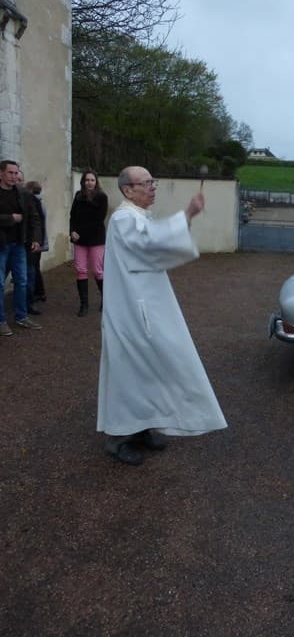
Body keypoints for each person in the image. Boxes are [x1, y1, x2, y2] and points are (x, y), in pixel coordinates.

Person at [97, 166, 227, 465]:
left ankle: (142, 426)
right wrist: (188, 215)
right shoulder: (123, 218)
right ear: (128, 190)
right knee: (130, 371)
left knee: (149, 367)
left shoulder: (138, 216)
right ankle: (118, 439)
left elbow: (155, 244)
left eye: (153, 181)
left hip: (144, 306)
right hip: (130, 311)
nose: (153, 187)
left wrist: (185, 220)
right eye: (146, 183)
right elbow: (151, 242)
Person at [0, 159, 42, 335]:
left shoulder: (22, 193)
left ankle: (21, 316)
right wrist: (11, 218)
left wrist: (35, 239)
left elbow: (34, 217)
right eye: (10, 172)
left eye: (16, 173)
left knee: (22, 281)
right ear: (1, 173)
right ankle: (1, 321)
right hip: (1, 245)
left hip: (19, 244)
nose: (14, 176)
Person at [69, 170, 108, 316]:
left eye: (92, 180)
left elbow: (98, 219)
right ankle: (84, 304)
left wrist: (80, 233)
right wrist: (72, 231)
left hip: (96, 239)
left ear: (96, 182)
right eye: (86, 180)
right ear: (83, 182)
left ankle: (106, 299)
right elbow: (72, 216)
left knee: (97, 270)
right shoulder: (78, 196)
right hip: (79, 239)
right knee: (80, 270)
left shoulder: (102, 197)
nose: (89, 182)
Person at [24, 180, 48, 314]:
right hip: (38, 241)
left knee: (32, 269)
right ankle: (39, 293)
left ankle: (34, 295)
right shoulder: (40, 202)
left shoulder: (35, 202)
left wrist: (38, 241)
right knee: (34, 268)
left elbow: (38, 223)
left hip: (34, 242)